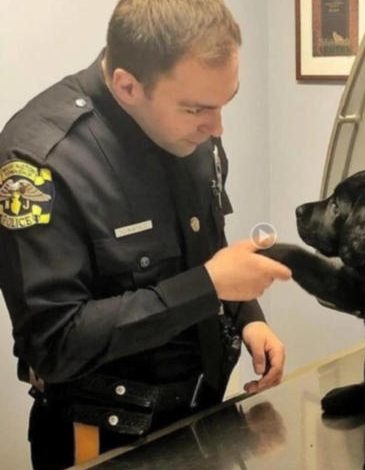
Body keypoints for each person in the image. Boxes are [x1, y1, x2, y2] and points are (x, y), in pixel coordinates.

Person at [0, 1, 291, 469]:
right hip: (101, 440)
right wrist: (210, 286)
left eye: (224, 103)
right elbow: (54, 344)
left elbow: (203, 247)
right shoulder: (42, 159)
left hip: (206, 416)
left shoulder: (190, 125)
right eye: (198, 108)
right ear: (127, 86)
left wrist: (246, 314)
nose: (217, 127)